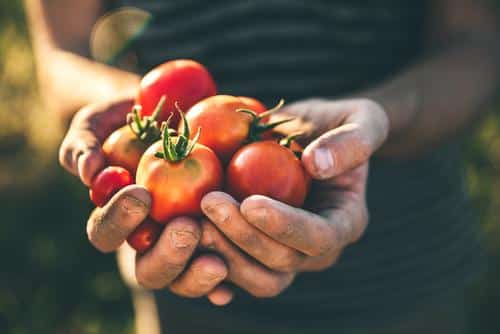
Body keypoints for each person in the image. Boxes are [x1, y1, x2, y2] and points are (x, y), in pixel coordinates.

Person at [26, 0, 498, 333]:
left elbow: (475, 44)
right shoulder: (188, 150)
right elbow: (60, 54)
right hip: (183, 285)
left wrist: (378, 120)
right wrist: (129, 114)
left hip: (406, 275)